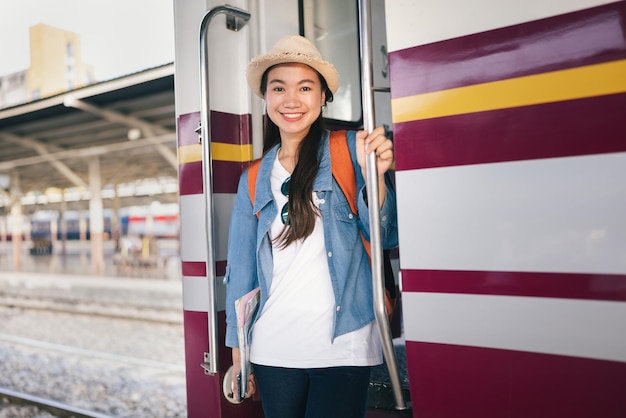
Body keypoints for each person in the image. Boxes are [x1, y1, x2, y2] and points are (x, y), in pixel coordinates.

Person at [224, 35, 398, 418]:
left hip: (344, 343)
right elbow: (241, 274)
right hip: (273, 347)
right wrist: (240, 356)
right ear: (265, 98)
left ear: (322, 98)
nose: (291, 100)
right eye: (278, 88)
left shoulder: (353, 149)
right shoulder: (252, 179)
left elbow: (385, 234)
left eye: (305, 88)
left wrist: (377, 178)